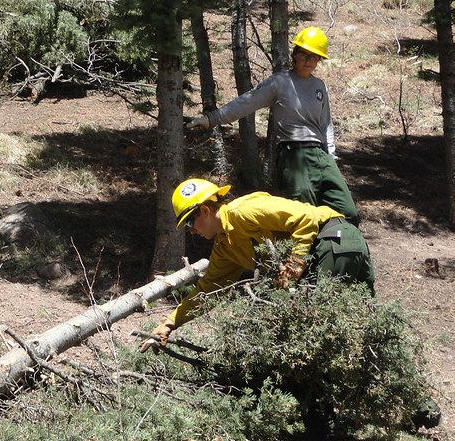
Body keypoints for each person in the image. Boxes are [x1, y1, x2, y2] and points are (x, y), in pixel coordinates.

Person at [139, 177, 374, 353]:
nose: (191, 230)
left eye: (190, 221)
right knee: (365, 332)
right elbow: (208, 291)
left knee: (319, 333)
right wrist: (170, 322)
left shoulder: (244, 211)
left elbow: (306, 218)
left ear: (205, 210)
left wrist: (294, 264)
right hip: (338, 247)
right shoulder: (225, 246)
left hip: (333, 240)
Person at [190, 26, 359, 225]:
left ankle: (340, 250)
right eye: (304, 55)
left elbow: (326, 123)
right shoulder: (280, 82)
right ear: (295, 54)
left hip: (322, 156)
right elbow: (246, 102)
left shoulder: (319, 86)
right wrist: (212, 119)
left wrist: (331, 158)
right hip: (293, 154)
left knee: (347, 211)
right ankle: (306, 255)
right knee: (304, 215)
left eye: (314, 57)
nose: (309, 61)